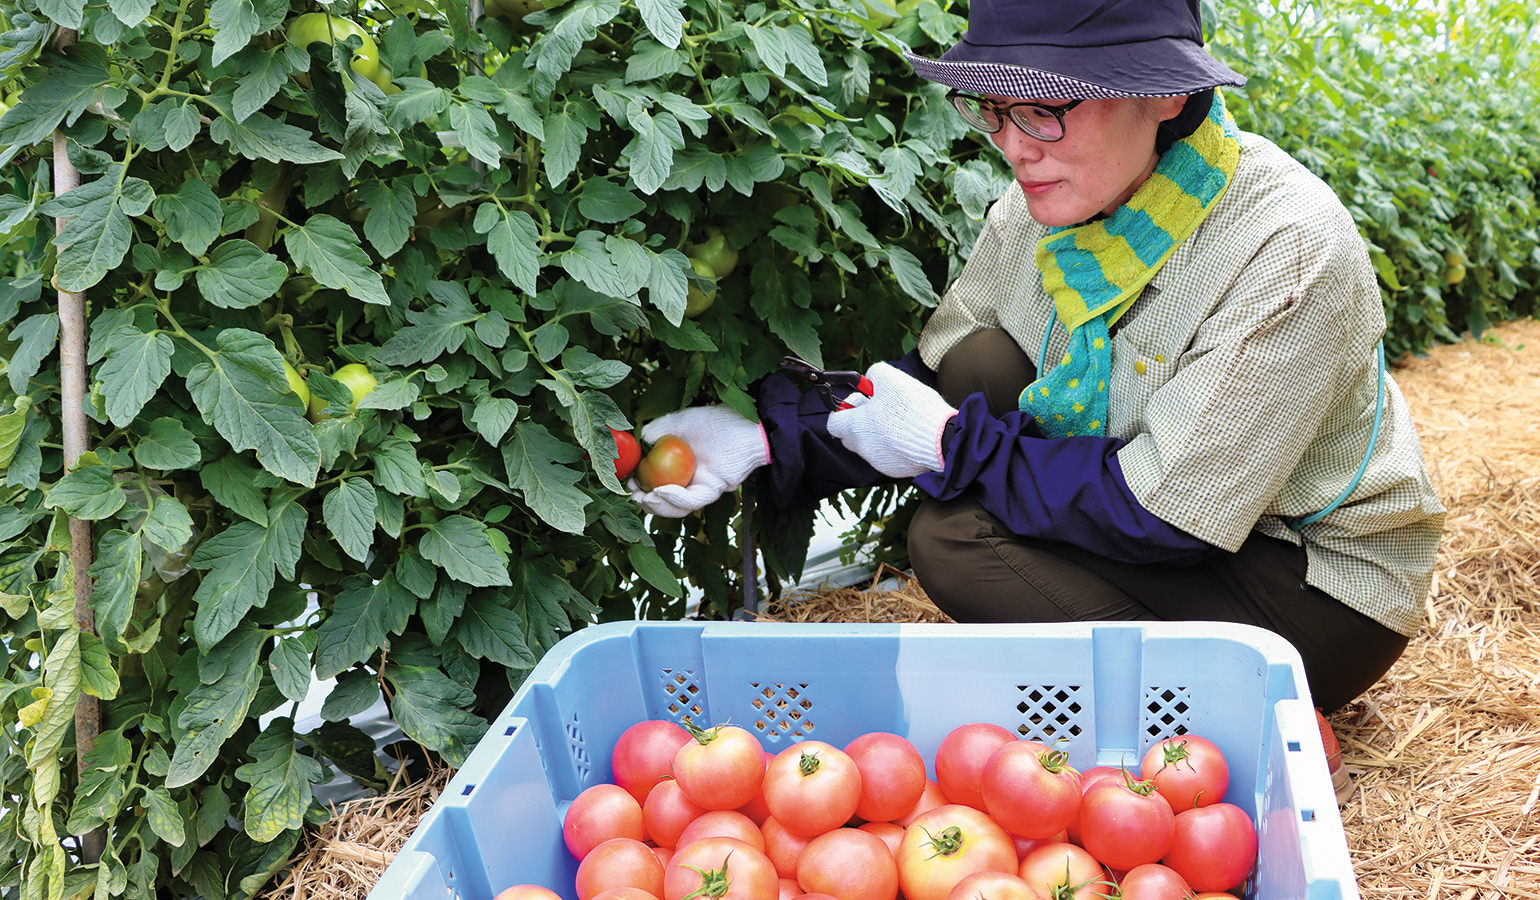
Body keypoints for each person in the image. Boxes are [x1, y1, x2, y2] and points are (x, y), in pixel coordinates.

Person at [630, 0, 1445, 773]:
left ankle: (1212, 721)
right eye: (992, 107)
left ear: (1162, 93)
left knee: (954, 543)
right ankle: (1165, 696)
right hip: (1155, 510)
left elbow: (1166, 515)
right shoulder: (1039, 211)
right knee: (981, 362)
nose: (1016, 147)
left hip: (1307, 582)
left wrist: (952, 447)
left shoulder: (1286, 245)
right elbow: (934, 380)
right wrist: (764, 438)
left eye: (1044, 108)